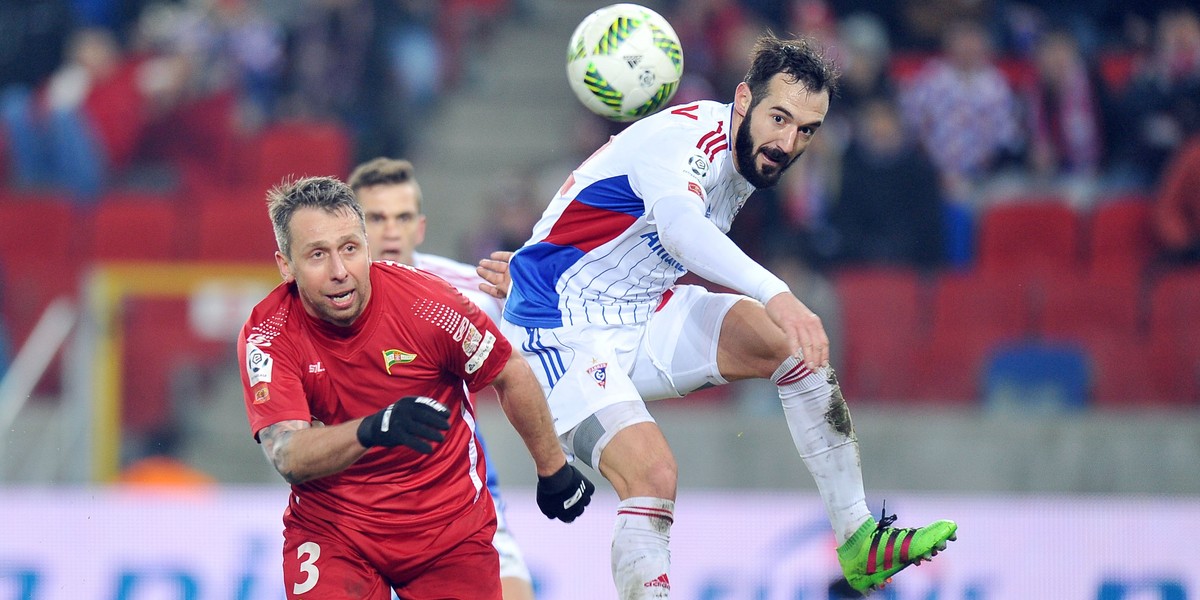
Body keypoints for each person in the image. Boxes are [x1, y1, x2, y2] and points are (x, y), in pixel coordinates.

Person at [477, 35, 957, 597]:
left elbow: (603, 216)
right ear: (743, 99)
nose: (787, 142)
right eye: (779, 118)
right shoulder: (687, 142)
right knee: (653, 476)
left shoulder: (749, 155)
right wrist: (776, 292)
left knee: (788, 345)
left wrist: (548, 252)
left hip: (638, 307)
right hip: (555, 330)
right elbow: (681, 230)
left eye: (807, 130)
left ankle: (858, 541)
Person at [236, 176, 594, 599]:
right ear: (285, 265)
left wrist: (553, 469)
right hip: (334, 531)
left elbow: (508, 371)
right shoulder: (268, 334)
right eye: (317, 255)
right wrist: (373, 429)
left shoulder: (429, 304)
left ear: (367, 246)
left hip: (448, 530)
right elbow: (287, 453)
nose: (339, 272)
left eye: (350, 249)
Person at [347, 156, 537, 600]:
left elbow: (544, 349)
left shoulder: (471, 291)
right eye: (376, 218)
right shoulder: (322, 300)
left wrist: (531, 300)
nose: (391, 231)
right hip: (356, 499)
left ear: (421, 226)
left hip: (455, 493)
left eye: (403, 217)